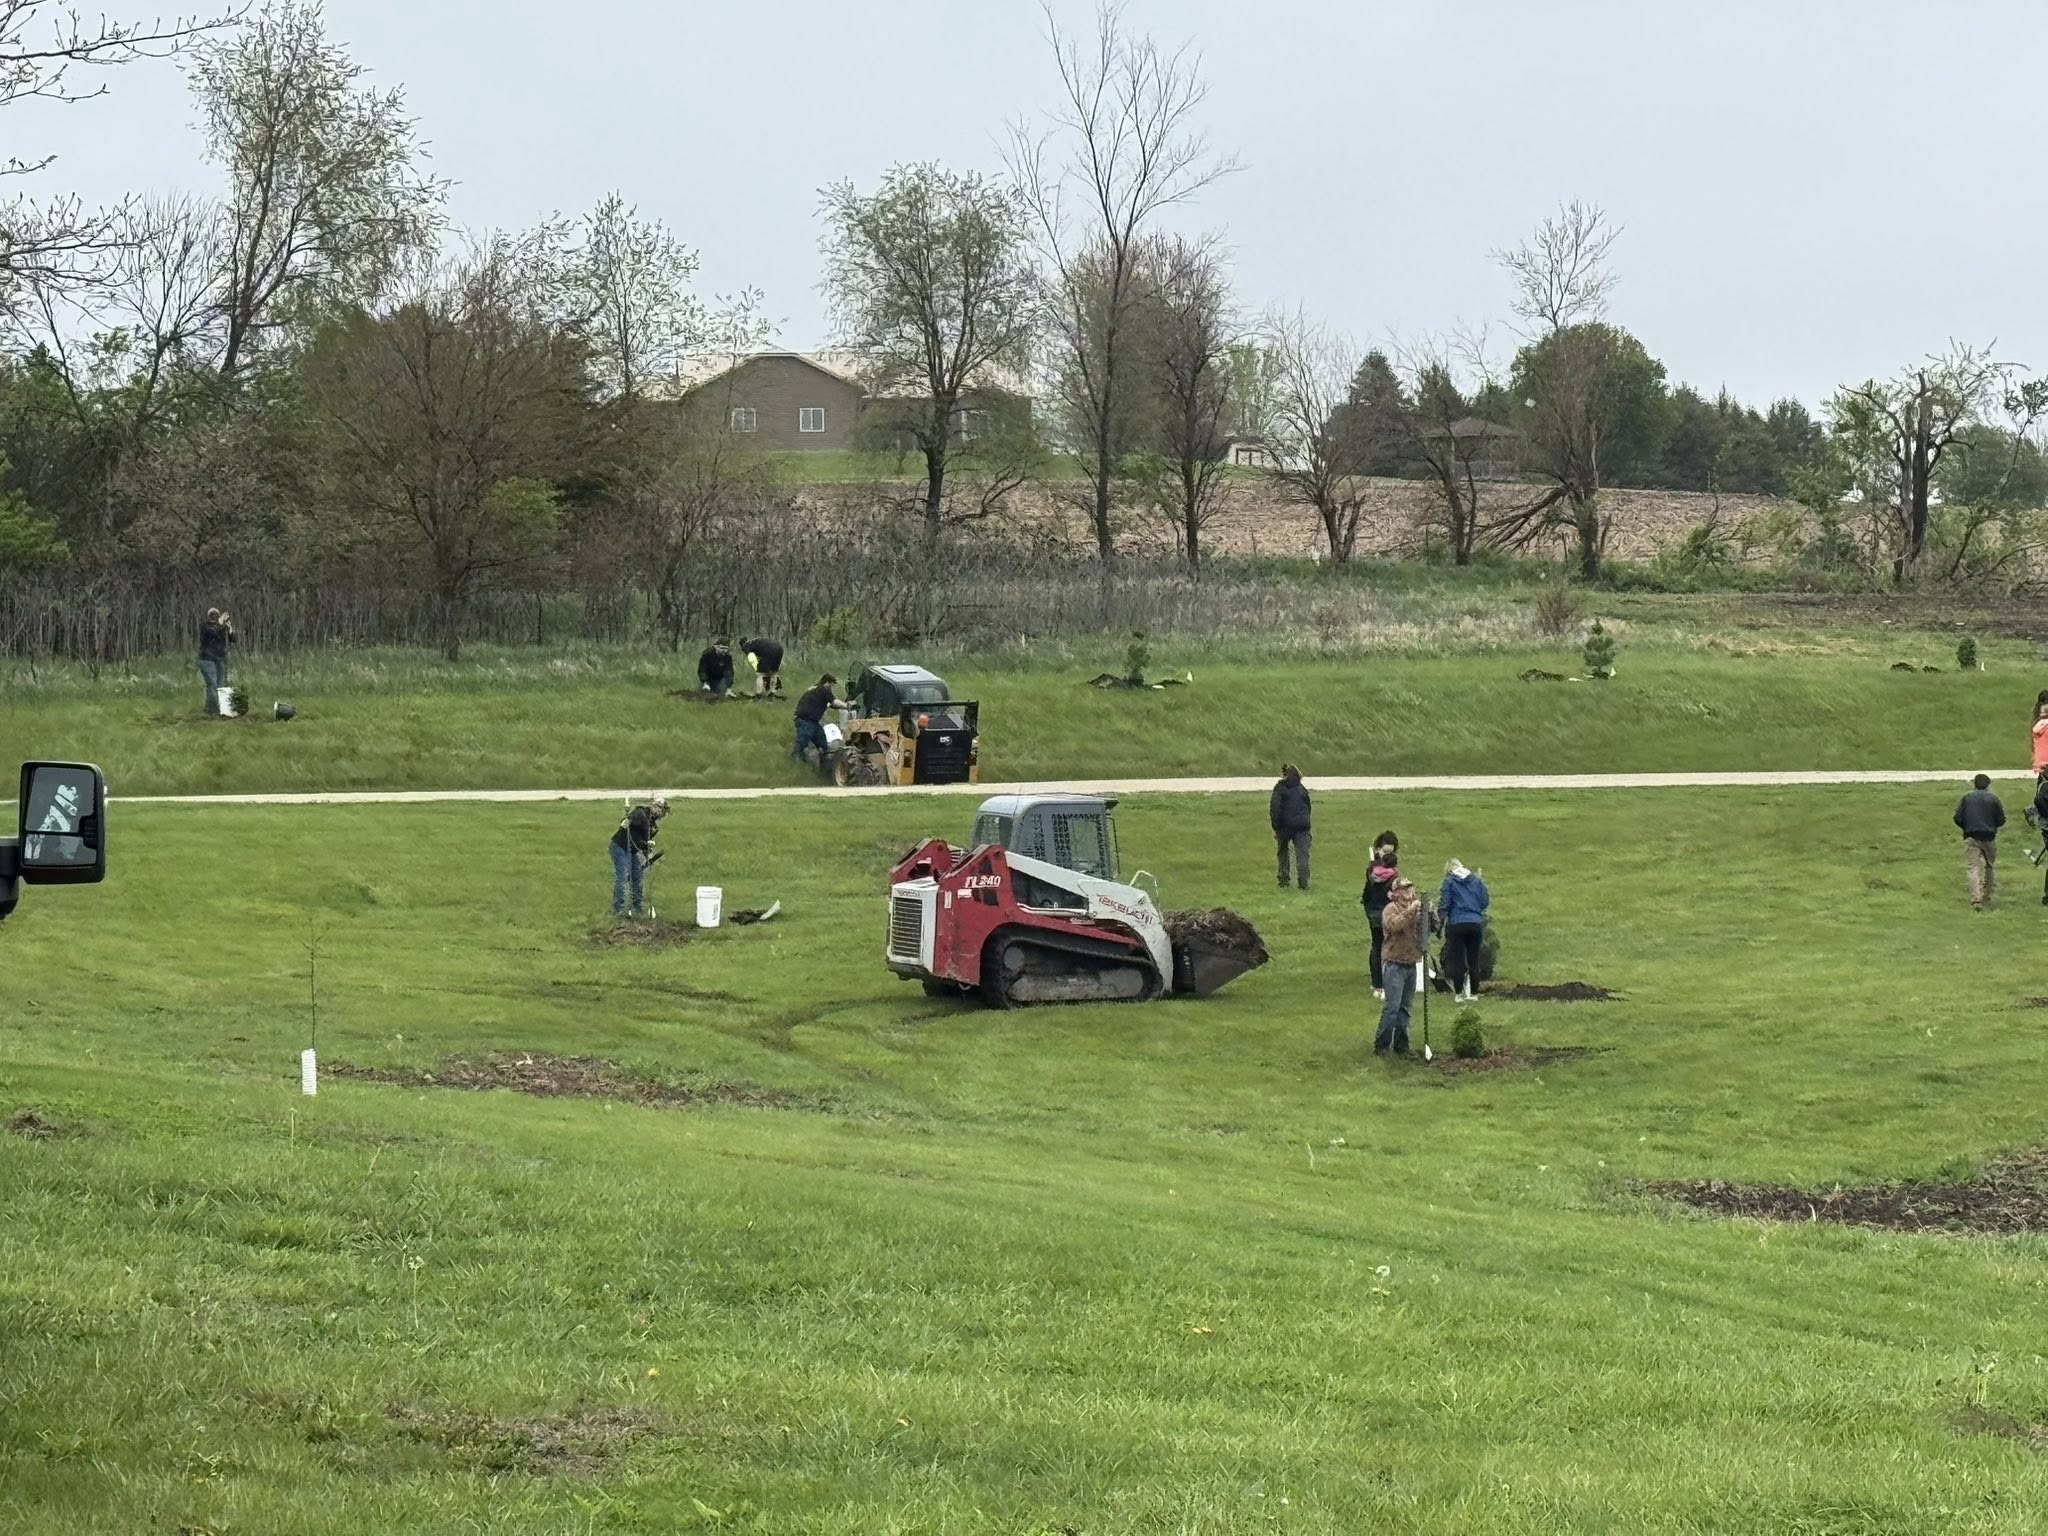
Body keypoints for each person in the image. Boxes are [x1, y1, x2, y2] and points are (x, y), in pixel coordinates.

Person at [1375, 878, 1424, 1055]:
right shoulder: (1390, 909)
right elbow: (1394, 926)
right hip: (1394, 963)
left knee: (1405, 1008)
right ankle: (1382, 1045)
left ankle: (1401, 1045)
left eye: (1409, 889)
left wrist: (1429, 914)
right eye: (1403, 890)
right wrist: (1411, 911)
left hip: (1411, 963)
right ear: (1395, 893)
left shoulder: (1416, 910)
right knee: (1392, 1007)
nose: (1407, 893)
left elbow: (1427, 929)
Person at [1437, 858, 1491, 1002]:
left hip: (1457, 923)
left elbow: (1445, 903)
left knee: (1458, 959)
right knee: (1473, 959)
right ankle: (1474, 993)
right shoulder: (1476, 880)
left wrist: (1440, 922)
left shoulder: (1449, 881)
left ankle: (1459, 993)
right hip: (1475, 923)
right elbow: (1484, 901)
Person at [609, 797, 670, 919]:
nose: (662, 815)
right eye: (662, 811)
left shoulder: (652, 827)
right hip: (620, 847)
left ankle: (637, 907)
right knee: (622, 876)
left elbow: (645, 844)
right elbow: (629, 820)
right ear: (656, 808)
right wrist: (627, 821)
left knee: (637, 877)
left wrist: (649, 854)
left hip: (632, 851)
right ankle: (618, 909)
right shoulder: (641, 813)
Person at [1953, 773, 2006, 911]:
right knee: (1989, 866)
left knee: (1972, 867)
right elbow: (2001, 819)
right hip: (1989, 837)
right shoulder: (1993, 799)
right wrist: (1992, 826)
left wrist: (1966, 827)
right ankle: (1986, 896)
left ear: (1974, 783)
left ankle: (1975, 898)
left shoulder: (1967, 798)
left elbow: (1957, 817)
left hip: (1971, 836)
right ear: (1988, 784)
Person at [1360, 835, 1400, 999]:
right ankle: (1382, 983)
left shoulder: (1371, 870)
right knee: (1384, 946)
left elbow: (1367, 892)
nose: (1386, 855)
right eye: (1385, 851)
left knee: (1376, 945)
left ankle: (1377, 984)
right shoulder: (1393, 875)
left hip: (1372, 911)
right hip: (1384, 911)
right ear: (1378, 849)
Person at [1269, 763, 1312, 891]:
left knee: (1283, 852)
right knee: (1302, 855)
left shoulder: (1279, 789)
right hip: (1302, 826)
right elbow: (1308, 807)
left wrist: (1276, 827)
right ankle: (1303, 882)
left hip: (1284, 826)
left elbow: (1275, 809)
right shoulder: (1302, 789)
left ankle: (1283, 879)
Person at [792, 674, 839, 764]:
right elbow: (835, 703)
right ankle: (794, 759)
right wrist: (847, 706)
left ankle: (824, 762)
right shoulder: (822, 690)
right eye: (832, 685)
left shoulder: (814, 690)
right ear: (827, 683)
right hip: (805, 720)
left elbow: (831, 704)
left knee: (822, 742)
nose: (832, 688)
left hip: (813, 722)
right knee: (802, 740)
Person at [197, 606, 235, 717]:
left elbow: (234, 639)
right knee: (212, 684)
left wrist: (230, 628)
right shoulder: (205, 627)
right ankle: (213, 710)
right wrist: (221, 623)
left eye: (216, 614)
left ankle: (216, 710)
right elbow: (212, 633)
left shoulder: (221, 627)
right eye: (212, 615)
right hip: (207, 659)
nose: (214, 616)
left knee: (221, 686)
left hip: (220, 659)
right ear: (209, 617)